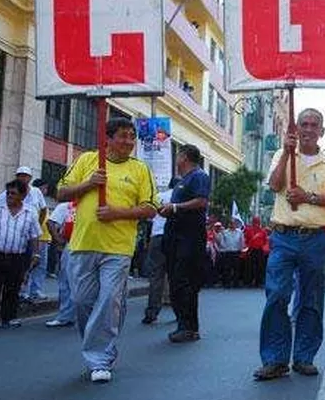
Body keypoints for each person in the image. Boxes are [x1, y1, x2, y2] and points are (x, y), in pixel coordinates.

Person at [57, 118, 158, 384]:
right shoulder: (88, 160)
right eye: (123, 136)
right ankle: (99, 343)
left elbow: (150, 208)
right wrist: (88, 184)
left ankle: (99, 358)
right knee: (81, 302)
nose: (128, 141)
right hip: (83, 244)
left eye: (131, 137)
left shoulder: (140, 169)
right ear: (108, 139)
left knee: (108, 300)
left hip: (118, 248)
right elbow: (61, 192)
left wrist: (117, 213)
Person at [253, 108, 325, 381]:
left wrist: (309, 197)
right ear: (295, 129)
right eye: (303, 124)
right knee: (277, 296)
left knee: (311, 299)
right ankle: (275, 359)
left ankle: (304, 357)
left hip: (315, 238)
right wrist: (285, 152)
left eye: (313, 125)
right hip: (282, 236)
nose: (307, 129)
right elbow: (273, 185)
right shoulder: (282, 155)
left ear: (322, 131)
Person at [160, 144, 210, 343]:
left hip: (189, 238)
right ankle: (183, 324)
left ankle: (189, 327)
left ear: (184, 157)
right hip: (175, 236)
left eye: (178, 155)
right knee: (175, 281)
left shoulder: (199, 176)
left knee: (184, 281)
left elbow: (201, 201)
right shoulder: (182, 181)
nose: (176, 160)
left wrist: (174, 207)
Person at [0, 179, 41, 329]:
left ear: (23, 196)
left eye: (14, 193)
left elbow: (35, 235)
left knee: (13, 288)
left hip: (17, 257)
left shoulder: (30, 213)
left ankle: (9, 317)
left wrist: (36, 254)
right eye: (8, 193)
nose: (9, 196)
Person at [143, 178, 177, 325]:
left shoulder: (158, 197)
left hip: (157, 237)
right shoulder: (182, 197)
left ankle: (152, 313)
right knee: (175, 276)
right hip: (174, 238)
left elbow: (149, 217)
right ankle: (179, 313)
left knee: (156, 276)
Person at [45, 200, 76, 327]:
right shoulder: (67, 207)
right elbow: (50, 222)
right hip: (72, 246)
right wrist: (58, 240)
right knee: (66, 282)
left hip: (93, 247)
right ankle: (66, 316)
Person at [21, 177, 52, 301]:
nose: (45, 191)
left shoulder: (41, 202)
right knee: (30, 264)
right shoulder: (30, 201)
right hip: (35, 238)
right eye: (44, 188)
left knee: (41, 266)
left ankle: (36, 290)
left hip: (44, 238)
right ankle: (24, 290)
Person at [216, 217, 244, 287]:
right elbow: (220, 242)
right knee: (227, 268)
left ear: (236, 224)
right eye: (231, 223)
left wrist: (242, 250)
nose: (232, 225)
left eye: (234, 223)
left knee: (236, 269)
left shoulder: (239, 232)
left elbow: (242, 242)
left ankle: (236, 283)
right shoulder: (224, 232)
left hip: (236, 252)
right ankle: (226, 283)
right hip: (227, 252)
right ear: (229, 224)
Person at [245, 216, 268, 287]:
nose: (256, 223)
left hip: (259, 250)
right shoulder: (249, 230)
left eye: (257, 222)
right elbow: (246, 240)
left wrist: (265, 249)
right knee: (250, 267)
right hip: (251, 250)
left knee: (260, 266)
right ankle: (249, 281)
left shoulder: (263, 231)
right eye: (255, 222)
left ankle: (259, 282)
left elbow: (265, 241)